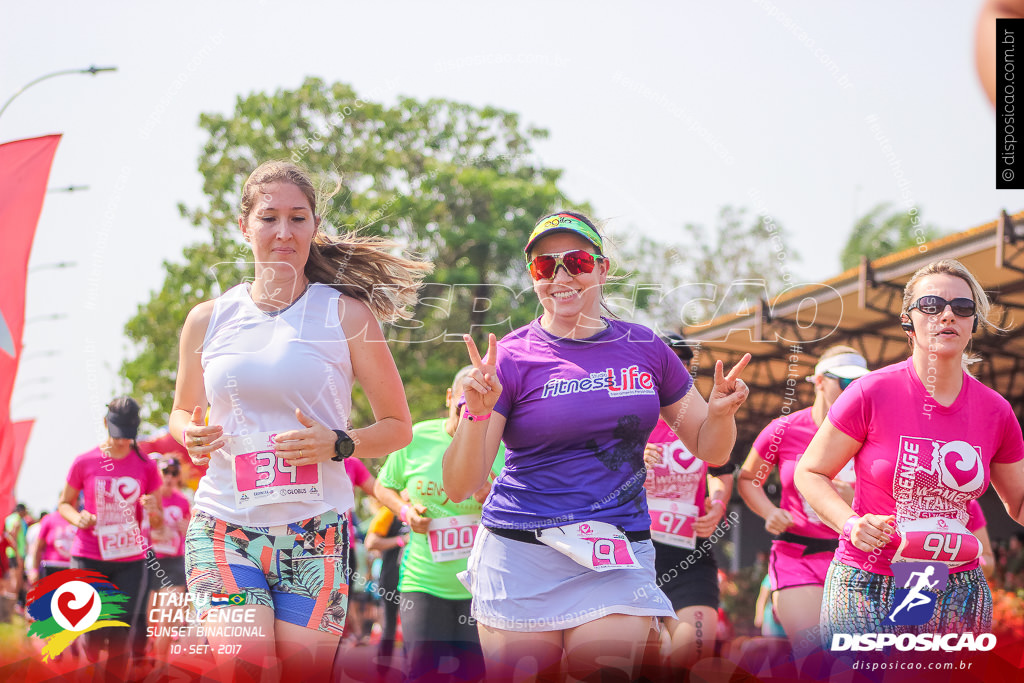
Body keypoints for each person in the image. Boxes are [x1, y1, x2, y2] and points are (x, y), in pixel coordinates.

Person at [443, 210, 751, 681]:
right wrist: (477, 412)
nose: (561, 277)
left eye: (577, 261)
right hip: (519, 549)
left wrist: (722, 414)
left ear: (602, 268)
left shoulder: (646, 347)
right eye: (545, 267)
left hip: (614, 550)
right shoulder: (511, 356)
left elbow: (711, 449)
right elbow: (462, 484)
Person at [169, 160, 429, 680]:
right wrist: (189, 434)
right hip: (225, 524)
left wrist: (337, 443)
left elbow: (397, 425)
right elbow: (180, 411)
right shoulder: (208, 319)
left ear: (314, 226)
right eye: (269, 218)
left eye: (297, 218)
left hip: (316, 531)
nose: (283, 232)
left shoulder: (347, 315)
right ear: (245, 227)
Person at [795, 259, 1024, 643]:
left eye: (962, 308)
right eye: (932, 305)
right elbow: (811, 472)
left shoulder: (996, 412)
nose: (947, 315)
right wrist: (850, 524)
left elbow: (1018, 502)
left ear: (972, 323)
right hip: (867, 580)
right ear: (908, 320)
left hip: (954, 585)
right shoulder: (871, 392)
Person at [375, 366, 505, 681]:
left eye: (476, 405)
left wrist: (493, 496)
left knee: (474, 675)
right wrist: (406, 512)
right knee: (422, 673)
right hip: (423, 583)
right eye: (462, 405)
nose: (467, 414)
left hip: (479, 588)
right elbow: (383, 486)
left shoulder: (499, 446)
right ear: (450, 397)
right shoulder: (417, 437)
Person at [737, 346, 868, 655]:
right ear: (819, 381)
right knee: (816, 654)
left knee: (854, 660)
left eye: (860, 384)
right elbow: (747, 479)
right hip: (796, 557)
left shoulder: (870, 432)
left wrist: (858, 500)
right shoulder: (784, 430)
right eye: (846, 382)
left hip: (856, 559)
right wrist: (769, 512)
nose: (854, 391)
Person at [642, 335, 735, 669]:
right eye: (667, 362)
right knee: (641, 663)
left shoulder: (699, 420)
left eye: (682, 363)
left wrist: (719, 503)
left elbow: (721, 468)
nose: (675, 370)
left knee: (693, 660)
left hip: (690, 555)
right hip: (633, 555)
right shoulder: (629, 419)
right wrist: (629, 460)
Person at [58, 397, 162, 676]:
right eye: (117, 435)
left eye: (128, 436)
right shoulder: (85, 461)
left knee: (120, 631)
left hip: (129, 559)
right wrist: (77, 517)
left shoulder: (147, 466)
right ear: (106, 424)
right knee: (92, 631)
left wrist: (153, 509)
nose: (121, 443)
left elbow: (159, 518)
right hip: (89, 557)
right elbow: (64, 503)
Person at [142, 457, 191, 661]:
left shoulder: (183, 501)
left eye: (174, 472)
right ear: (158, 473)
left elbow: (191, 533)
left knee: (166, 619)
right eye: (165, 472)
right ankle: (144, 654)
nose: (169, 477)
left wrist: (188, 529)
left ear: (178, 476)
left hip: (173, 563)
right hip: (148, 561)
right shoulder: (147, 499)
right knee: (144, 620)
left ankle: (161, 668)